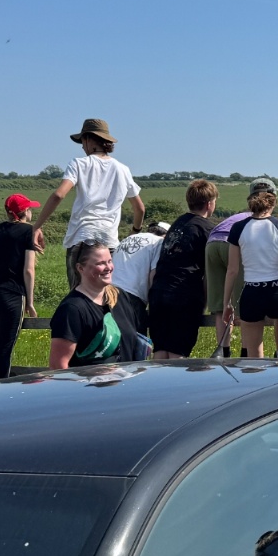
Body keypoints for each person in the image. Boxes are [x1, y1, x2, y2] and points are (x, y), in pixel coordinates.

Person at [31, 118, 146, 289]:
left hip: (82, 237)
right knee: (106, 296)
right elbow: (140, 209)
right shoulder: (123, 169)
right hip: (109, 242)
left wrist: (36, 227)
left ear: (88, 139)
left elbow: (58, 195)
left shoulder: (79, 164)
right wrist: (134, 232)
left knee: (78, 296)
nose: (82, 147)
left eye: (82, 141)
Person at [208, 179, 278, 358]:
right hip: (277, 290)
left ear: (250, 201)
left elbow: (232, 270)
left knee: (254, 359)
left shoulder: (238, 227)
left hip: (252, 292)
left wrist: (227, 303)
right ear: (274, 200)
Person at [148, 180, 219, 359]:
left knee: (161, 349)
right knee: (178, 352)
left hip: (159, 292)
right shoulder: (207, 229)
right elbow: (210, 271)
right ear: (209, 204)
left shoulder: (177, 224)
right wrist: (205, 302)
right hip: (183, 294)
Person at [0, 194, 40, 383]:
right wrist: (30, 302)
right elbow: (29, 270)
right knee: (5, 349)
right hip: (12, 293)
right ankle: (0, 390)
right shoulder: (28, 232)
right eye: (30, 208)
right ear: (25, 211)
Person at [50, 243, 141, 369]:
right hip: (87, 381)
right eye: (100, 263)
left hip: (127, 379)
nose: (108, 267)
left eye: (110, 261)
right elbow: (58, 365)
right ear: (80, 268)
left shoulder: (120, 297)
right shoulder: (72, 309)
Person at [112, 221, 170, 336]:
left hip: (109, 291)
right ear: (166, 235)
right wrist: (155, 304)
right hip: (132, 296)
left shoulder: (129, 238)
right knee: (137, 340)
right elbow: (154, 275)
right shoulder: (159, 242)